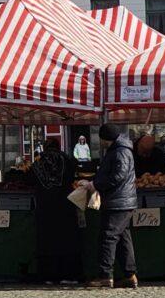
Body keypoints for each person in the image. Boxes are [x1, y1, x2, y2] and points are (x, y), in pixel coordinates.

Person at [83, 123, 138, 289]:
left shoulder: (120, 151)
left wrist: (96, 185)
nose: (101, 142)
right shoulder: (119, 149)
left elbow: (117, 176)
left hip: (119, 201)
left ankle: (105, 275)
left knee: (108, 237)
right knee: (122, 238)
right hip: (121, 200)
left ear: (106, 138)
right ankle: (130, 275)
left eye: (102, 139)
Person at [31, 139, 82, 284]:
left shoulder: (38, 163)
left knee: (47, 242)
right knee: (67, 240)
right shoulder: (67, 160)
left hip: (45, 206)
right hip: (65, 204)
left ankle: (49, 276)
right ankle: (69, 275)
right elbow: (73, 175)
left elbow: (28, 179)